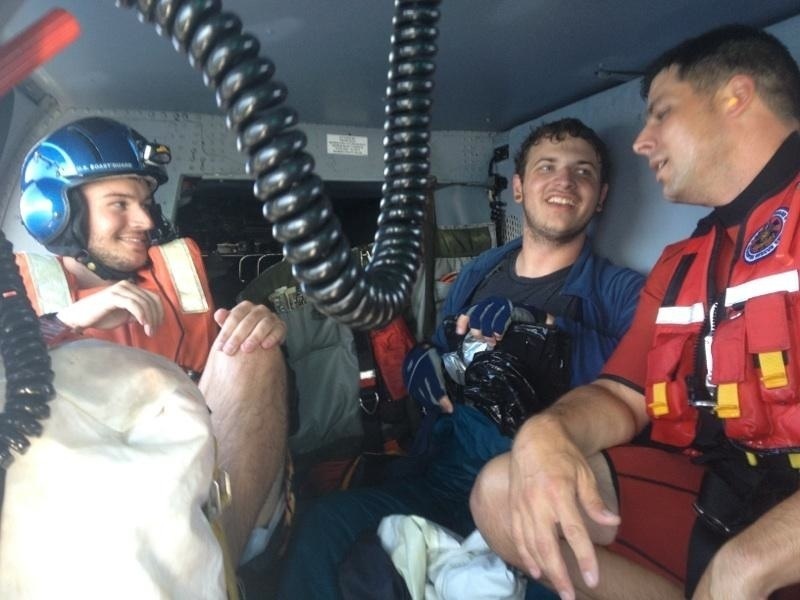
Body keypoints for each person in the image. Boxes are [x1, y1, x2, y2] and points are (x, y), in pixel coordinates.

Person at [470, 25, 800, 600]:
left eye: (661, 113)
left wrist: (748, 564)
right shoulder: (682, 265)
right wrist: (546, 433)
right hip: (719, 494)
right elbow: (622, 395)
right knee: (502, 490)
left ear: (736, 97)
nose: (642, 141)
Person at [277, 118, 644, 599]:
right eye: (546, 168)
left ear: (600, 196)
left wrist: (543, 331)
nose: (564, 182)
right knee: (325, 525)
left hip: (532, 488)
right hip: (446, 475)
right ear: (517, 188)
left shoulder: (622, 293)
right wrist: (429, 361)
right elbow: (445, 349)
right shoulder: (478, 274)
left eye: (583, 172)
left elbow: (644, 387)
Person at [15, 116, 289, 567]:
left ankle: (214, 575)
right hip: (80, 509)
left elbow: (231, 389)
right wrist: (62, 322)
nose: (144, 219)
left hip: (199, 488)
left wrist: (258, 329)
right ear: (56, 211)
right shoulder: (21, 290)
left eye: (145, 201)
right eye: (119, 204)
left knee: (255, 352)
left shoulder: (176, 274)